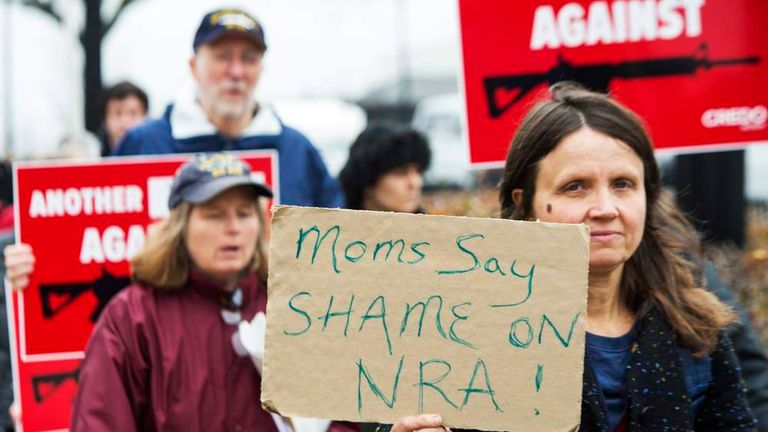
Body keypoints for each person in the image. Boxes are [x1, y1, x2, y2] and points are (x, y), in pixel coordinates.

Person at [389, 82, 758, 431]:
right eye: (575, 187)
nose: (604, 207)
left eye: (623, 184)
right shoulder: (462, 331)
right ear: (525, 203)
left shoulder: (694, 323)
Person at [58, 152, 356, 431]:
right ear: (180, 227)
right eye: (214, 215)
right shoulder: (132, 317)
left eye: (244, 214)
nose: (233, 228)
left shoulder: (297, 305)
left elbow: (340, 418)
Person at [113, 7, 343, 208]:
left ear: (261, 69)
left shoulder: (297, 150)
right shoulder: (144, 145)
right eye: (222, 56)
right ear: (193, 66)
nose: (236, 72)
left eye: (249, 58)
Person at [338, 122, 431, 213]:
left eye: (418, 171)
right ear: (368, 179)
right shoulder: (332, 225)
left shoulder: (432, 227)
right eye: (401, 173)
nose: (415, 183)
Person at [97, 81, 149, 156]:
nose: (125, 120)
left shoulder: (160, 154)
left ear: (145, 117)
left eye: (133, 113)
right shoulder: (91, 156)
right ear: (105, 119)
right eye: (117, 113)